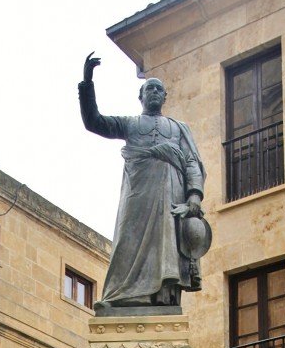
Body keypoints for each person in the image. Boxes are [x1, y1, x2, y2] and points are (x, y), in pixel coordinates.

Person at [79, 53, 208, 310]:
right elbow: (95, 122)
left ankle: (162, 296)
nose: (155, 92)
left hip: (170, 196)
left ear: (165, 97)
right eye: (149, 88)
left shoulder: (179, 128)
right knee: (127, 240)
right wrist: (87, 83)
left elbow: (192, 162)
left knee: (166, 244)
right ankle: (119, 295)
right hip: (137, 193)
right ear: (141, 96)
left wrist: (194, 195)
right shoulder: (130, 124)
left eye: (159, 89)